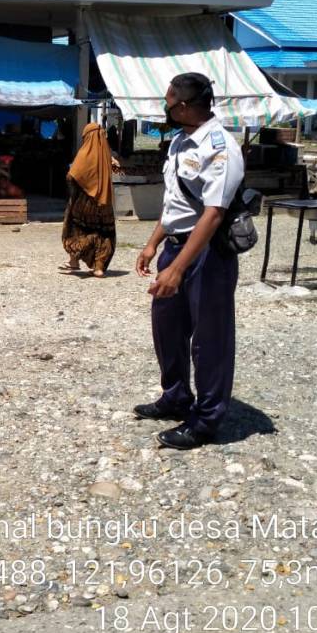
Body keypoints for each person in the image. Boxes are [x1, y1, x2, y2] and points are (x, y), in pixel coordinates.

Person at [134, 73, 244, 450]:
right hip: (175, 246)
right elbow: (175, 204)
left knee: (210, 339)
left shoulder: (220, 147)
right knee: (167, 327)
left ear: (182, 106)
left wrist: (178, 268)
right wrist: (153, 244)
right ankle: (176, 396)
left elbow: (213, 214)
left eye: (167, 102)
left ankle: (206, 420)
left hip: (208, 254)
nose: (164, 108)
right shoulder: (181, 142)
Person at [60, 123, 118, 277]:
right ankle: (99, 267)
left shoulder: (85, 153)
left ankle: (73, 261)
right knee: (104, 234)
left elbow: (71, 176)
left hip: (84, 202)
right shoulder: (106, 153)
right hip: (104, 203)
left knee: (76, 230)